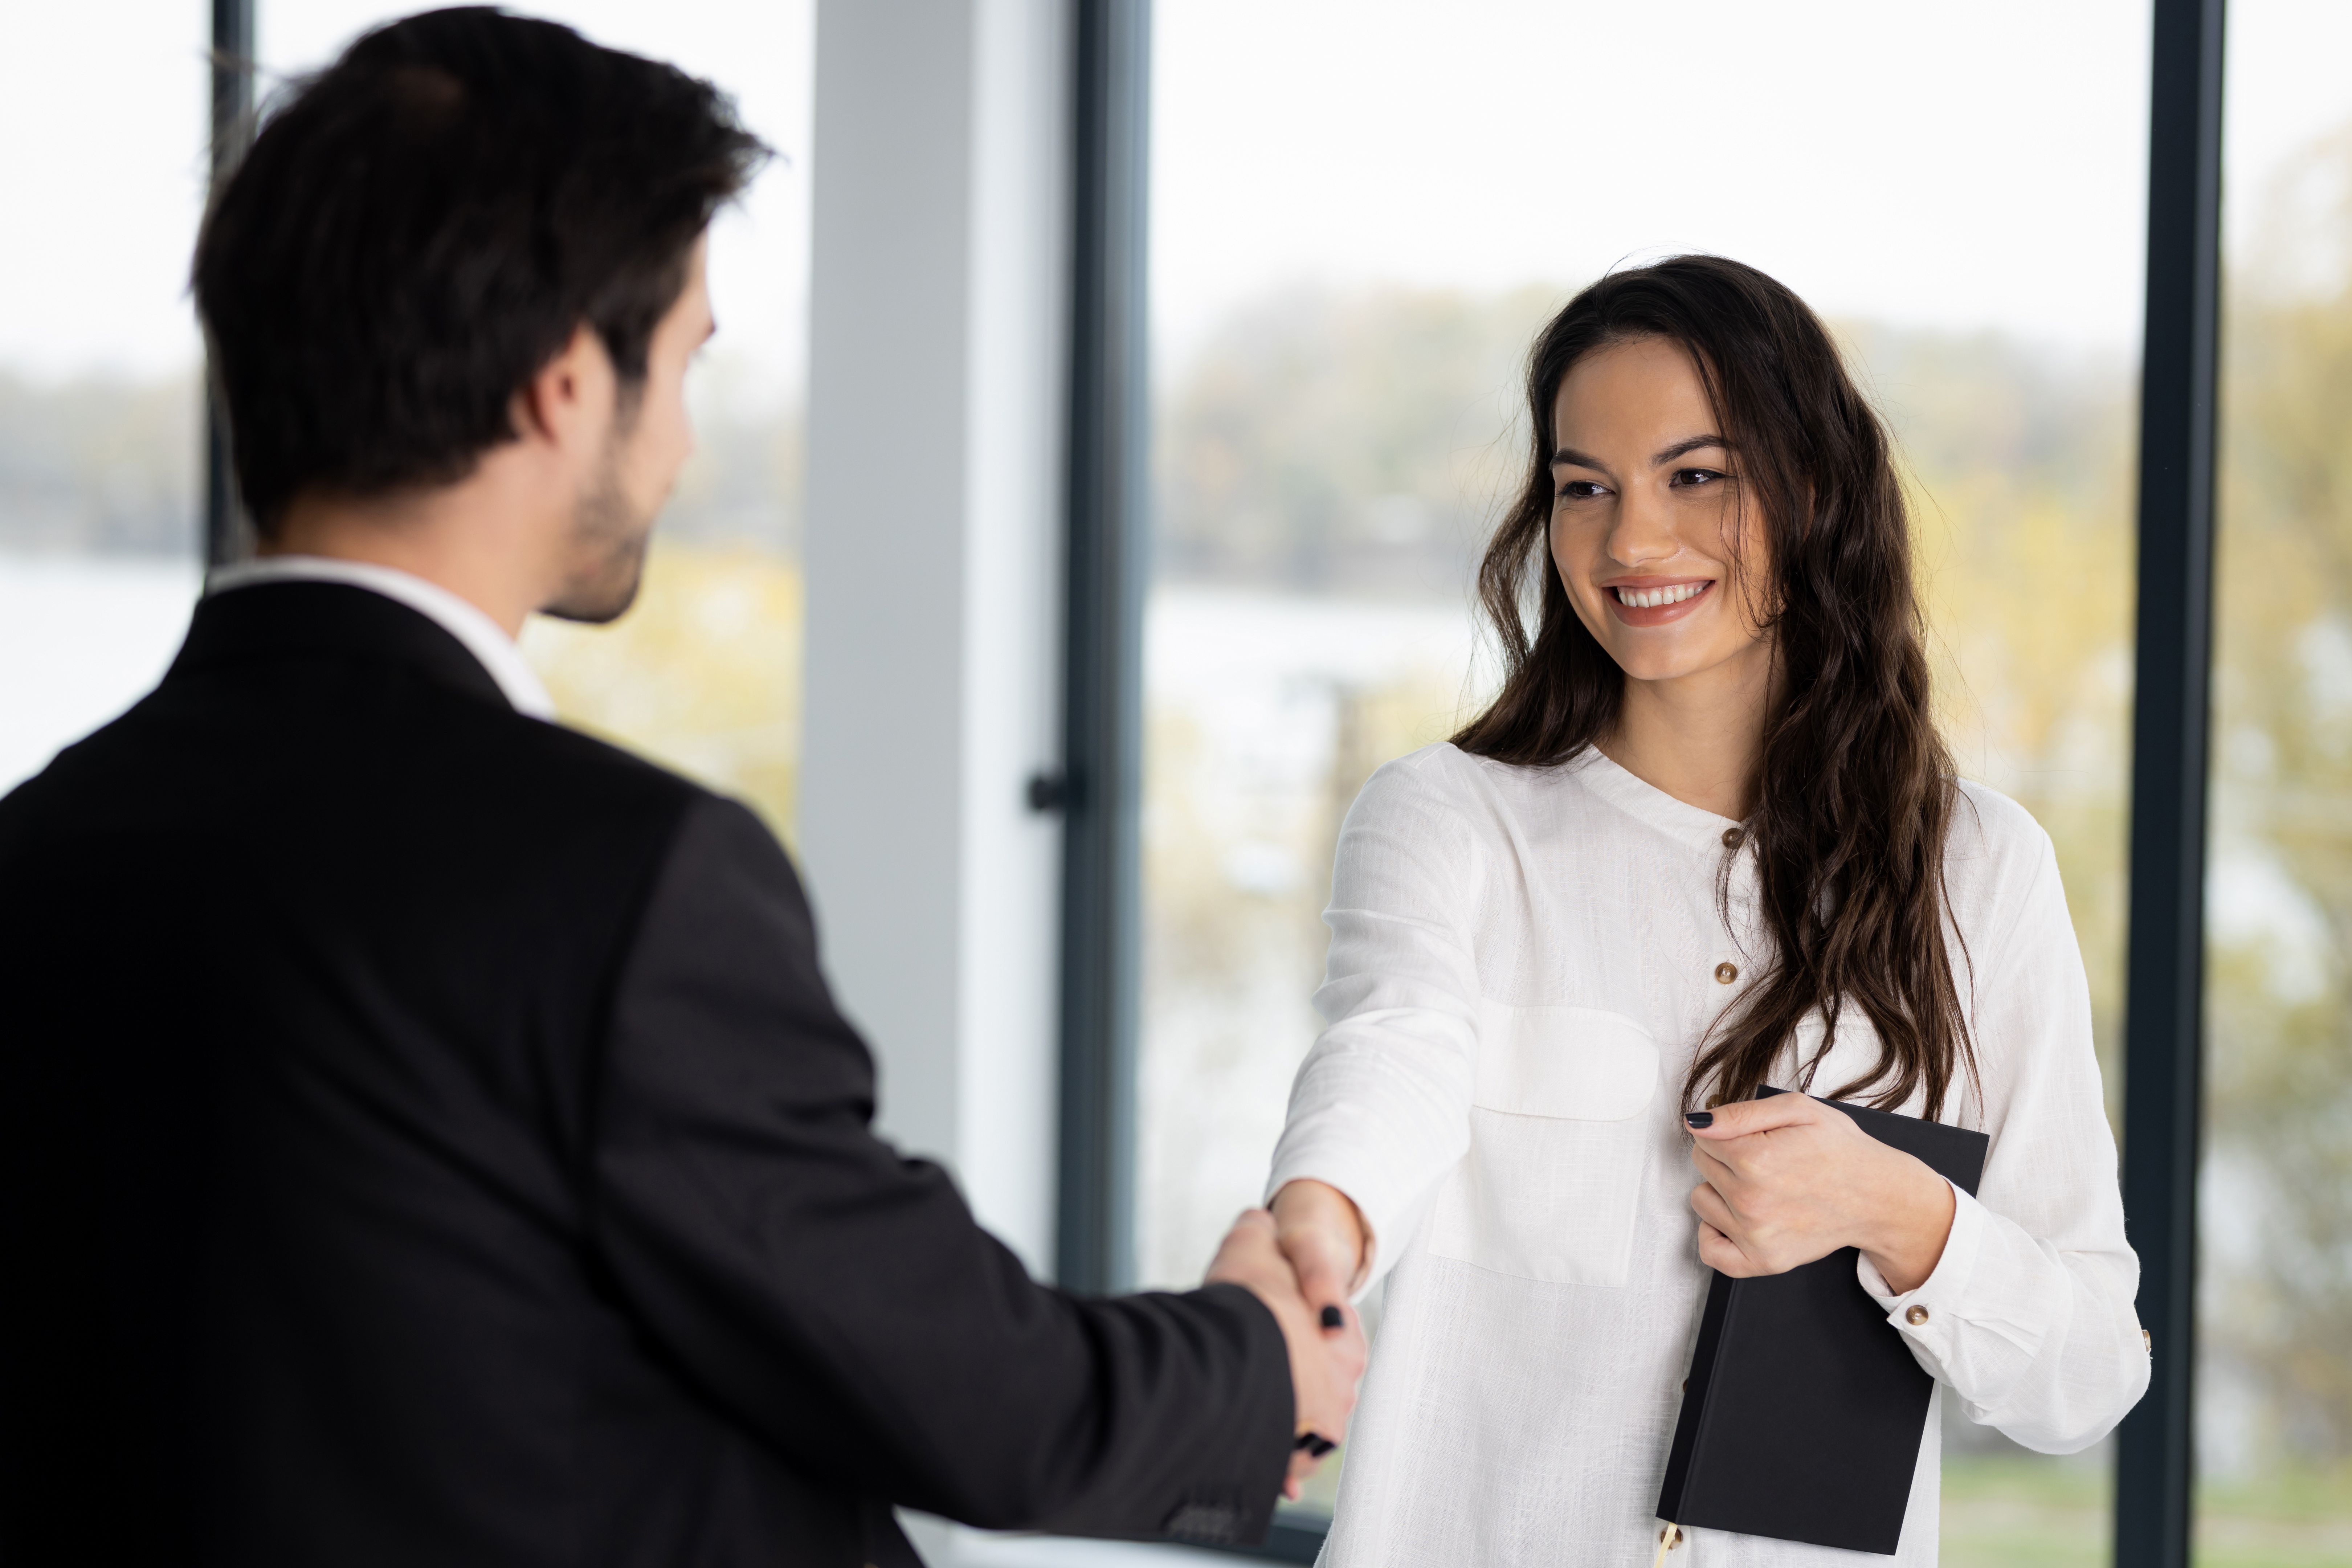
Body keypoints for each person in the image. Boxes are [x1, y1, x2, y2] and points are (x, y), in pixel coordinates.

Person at [0, 11, 1361, 1566]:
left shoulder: (42, 844)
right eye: (688, 360)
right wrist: (1261, 1358)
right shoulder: (614, 878)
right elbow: (979, 1398)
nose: (686, 444)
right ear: (565, 385)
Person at [1261, 256, 2148, 1564]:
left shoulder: (1982, 873)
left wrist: (1896, 1213)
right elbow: (1394, 1052)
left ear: (1812, 487)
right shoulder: (1449, 823)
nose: (1631, 542)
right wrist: (1314, 1242)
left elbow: (2085, 1378)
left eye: (1696, 476)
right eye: (1585, 489)